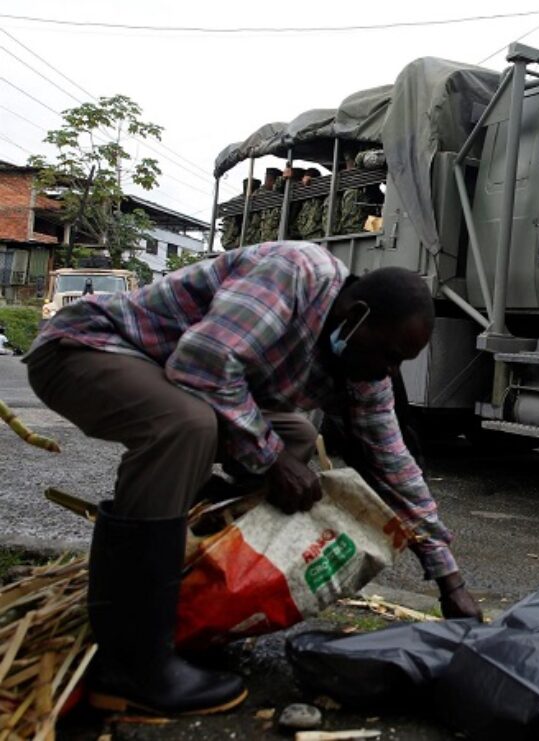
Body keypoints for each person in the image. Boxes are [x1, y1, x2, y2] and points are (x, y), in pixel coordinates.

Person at [24, 242, 482, 717]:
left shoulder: (362, 368)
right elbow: (203, 362)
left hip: (172, 378)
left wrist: (449, 580)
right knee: (187, 426)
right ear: (358, 314)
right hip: (87, 349)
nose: (390, 372)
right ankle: (132, 667)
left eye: (400, 363)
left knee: (297, 433)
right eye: (389, 355)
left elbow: (394, 467)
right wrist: (270, 460)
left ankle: (187, 613)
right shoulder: (296, 274)